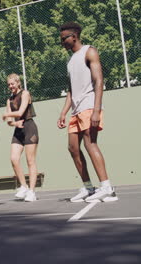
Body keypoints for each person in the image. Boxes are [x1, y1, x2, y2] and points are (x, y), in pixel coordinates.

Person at [57, 22, 118, 203]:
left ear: (74, 36)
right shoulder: (70, 61)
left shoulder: (89, 51)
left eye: (64, 39)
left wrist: (96, 110)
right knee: (73, 148)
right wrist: (63, 112)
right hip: (76, 110)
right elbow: (70, 90)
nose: (62, 42)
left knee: (90, 144)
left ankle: (107, 188)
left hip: (90, 105)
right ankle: (89, 188)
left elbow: (99, 81)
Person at [2, 73, 39, 202]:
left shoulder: (25, 94)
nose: (10, 86)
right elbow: (9, 121)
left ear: (18, 83)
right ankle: (24, 186)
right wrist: (14, 122)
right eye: (9, 85)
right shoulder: (9, 100)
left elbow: (20, 112)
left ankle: (32, 192)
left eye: (12, 83)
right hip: (18, 130)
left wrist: (7, 114)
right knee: (14, 159)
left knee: (30, 161)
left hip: (29, 128)